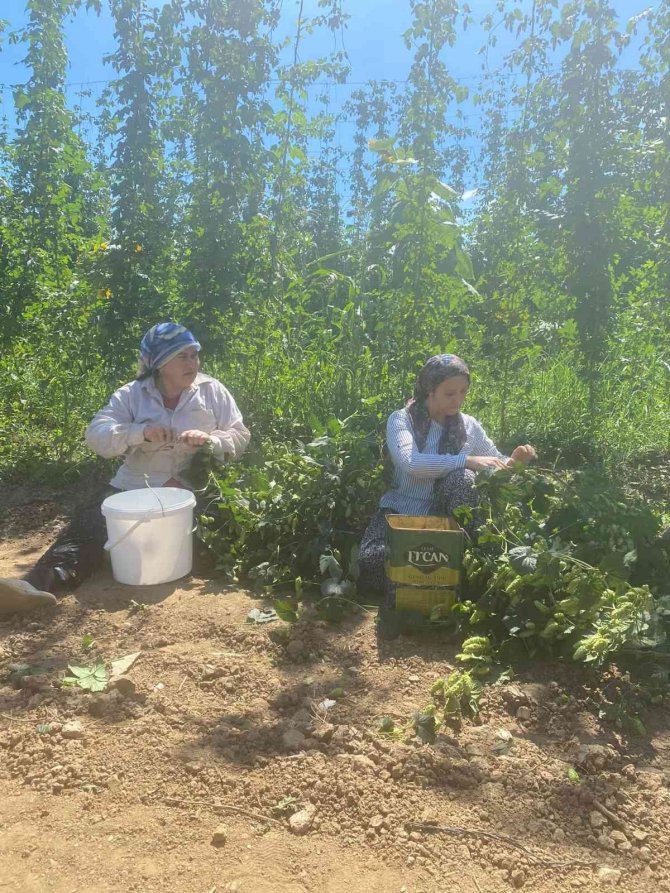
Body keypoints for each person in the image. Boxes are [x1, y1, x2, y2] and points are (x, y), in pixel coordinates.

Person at [0, 322, 250, 613]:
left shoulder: (212, 391)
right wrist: (139, 433)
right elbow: (97, 435)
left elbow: (239, 434)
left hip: (195, 489)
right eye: (181, 356)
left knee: (214, 538)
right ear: (159, 364)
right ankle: (32, 588)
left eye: (194, 355)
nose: (192, 362)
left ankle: (122, 554)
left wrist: (211, 441)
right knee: (89, 527)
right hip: (135, 488)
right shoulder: (131, 395)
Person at [358, 353, 536, 596]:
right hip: (401, 510)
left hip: (446, 517)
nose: (458, 400)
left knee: (463, 479)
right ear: (429, 391)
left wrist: (514, 461)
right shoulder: (402, 420)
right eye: (450, 393)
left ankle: (461, 561)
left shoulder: (469, 426)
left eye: (463, 392)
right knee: (371, 561)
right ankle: (429, 583)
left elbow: (493, 461)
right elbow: (411, 463)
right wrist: (465, 460)